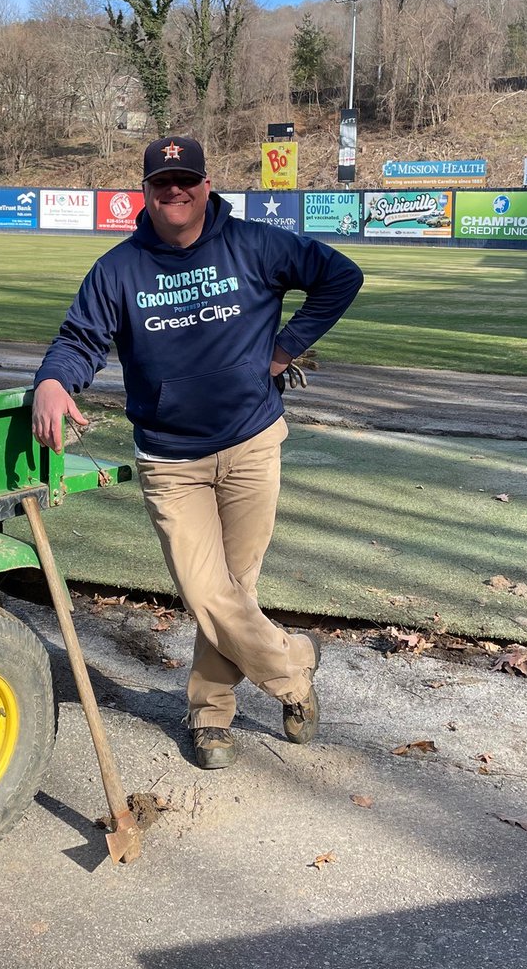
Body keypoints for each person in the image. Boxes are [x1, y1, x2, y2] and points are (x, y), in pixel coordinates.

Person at [32, 135, 363, 770]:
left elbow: (340, 277)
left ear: (207, 185)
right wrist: (52, 380)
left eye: (186, 180)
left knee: (233, 589)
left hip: (251, 442)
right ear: (147, 192)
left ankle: (210, 715)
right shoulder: (119, 269)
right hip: (170, 459)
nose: (175, 191)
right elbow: (79, 338)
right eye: (162, 183)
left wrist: (285, 347)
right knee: (208, 593)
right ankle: (295, 667)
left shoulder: (255, 244)